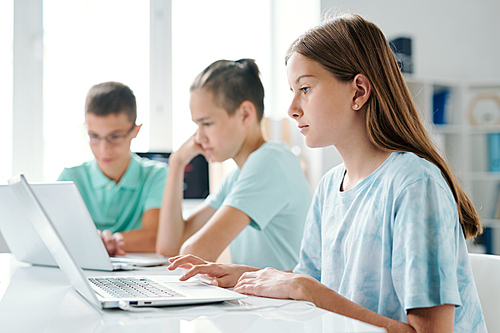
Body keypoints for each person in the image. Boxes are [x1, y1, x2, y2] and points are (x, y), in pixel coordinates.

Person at [166, 14, 487, 333]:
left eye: (305, 88)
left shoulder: (414, 184)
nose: (292, 108)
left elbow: (427, 332)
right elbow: (310, 281)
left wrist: (305, 289)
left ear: (358, 92)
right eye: (292, 90)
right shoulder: (331, 186)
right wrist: (244, 274)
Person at [156, 59, 311, 270]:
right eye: (197, 125)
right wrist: (176, 163)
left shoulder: (270, 161)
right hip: (259, 300)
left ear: (245, 114)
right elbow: (170, 248)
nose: (199, 137)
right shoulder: (236, 177)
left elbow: (193, 254)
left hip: (284, 302)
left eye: (207, 123)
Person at [58, 82, 168, 256]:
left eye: (114, 137)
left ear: (135, 131)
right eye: (94, 136)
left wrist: (104, 242)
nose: (104, 149)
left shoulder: (156, 175)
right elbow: (58, 238)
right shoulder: (70, 178)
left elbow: (154, 238)